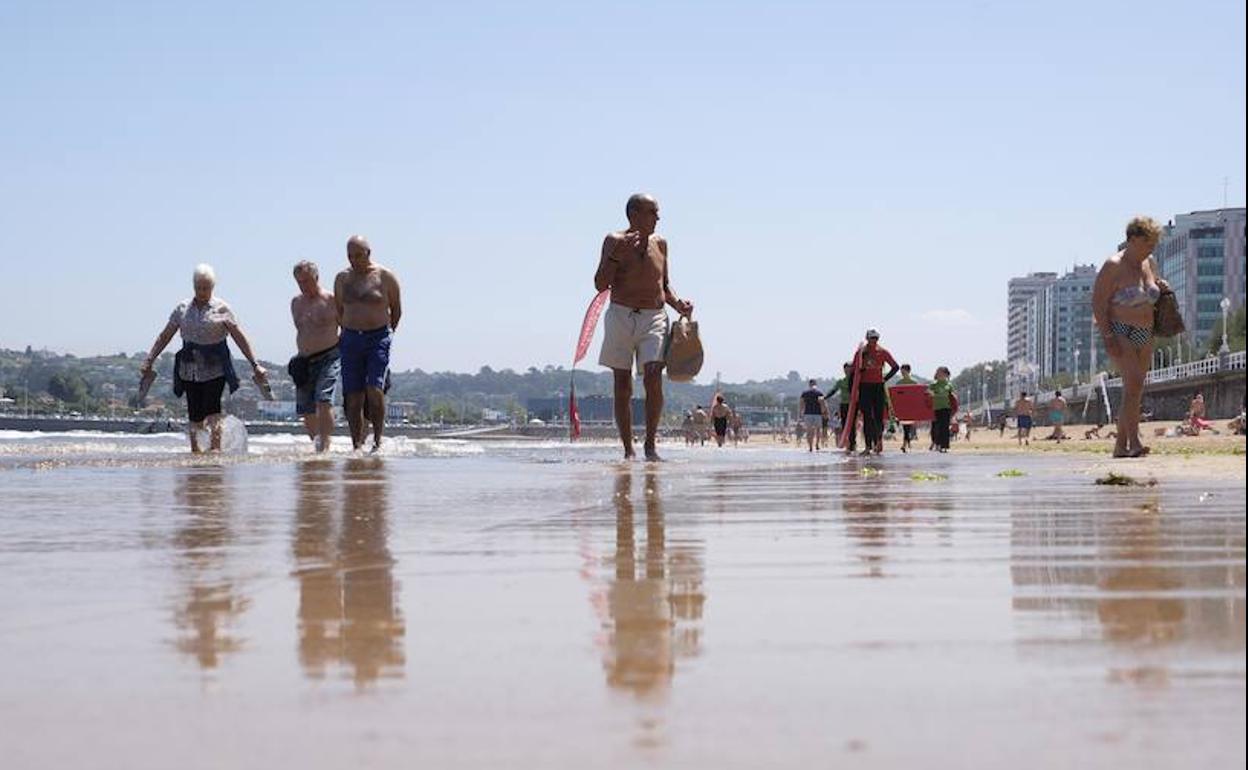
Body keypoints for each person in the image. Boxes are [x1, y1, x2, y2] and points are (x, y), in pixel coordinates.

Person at [594, 194, 694, 461]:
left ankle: (650, 445)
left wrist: (678, 304)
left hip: (654, 316)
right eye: (653, 212)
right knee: (622, 382)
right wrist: (616, 256)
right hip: (621, 314)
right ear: (634, 214)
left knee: (653, 375)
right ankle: (628, 449)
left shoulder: (660, 243)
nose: (658, 218)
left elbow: (664, 283)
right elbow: (600, 284)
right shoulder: (613, 240)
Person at [140, 264, 268, 452]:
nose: (202, 292)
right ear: (193, 286)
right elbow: (165, 335)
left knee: (213, 409)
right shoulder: (182, 309)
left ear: (212, 287)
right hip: (189, 368)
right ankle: (196, 452)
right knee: (195, 413)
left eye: (206, 288)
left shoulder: (222, 308)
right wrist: (150, 359)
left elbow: (239, 336)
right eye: (199, 287)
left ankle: (215, 450)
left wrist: (254, 364)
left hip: (215, 366)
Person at [1092, 216, 1167, 458]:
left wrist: (1160, 286)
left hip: (1145, 331)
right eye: (1148, 242)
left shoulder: (1148, 262)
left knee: (1133, 389)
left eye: (1154, 242)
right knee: (1133, 384)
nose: (1152, 247)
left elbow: (1153, 289)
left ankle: (1119, 446)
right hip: (1120, 329)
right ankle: (1134, 442)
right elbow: (1098, 303)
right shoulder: (1113, 265)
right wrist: (1108, 336)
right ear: (1133, 239)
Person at [334, 236, 402, 452]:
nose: (354, 260)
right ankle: (356, 444)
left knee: (374, 388)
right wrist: (347, 329)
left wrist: (388, 333)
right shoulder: (342, 278)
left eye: (358, 256)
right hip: (351, 338)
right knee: (353, 395)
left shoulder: (385, 276)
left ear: (368, 253)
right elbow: (339, 310)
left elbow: (397, 309)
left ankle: (377, 440)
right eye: (350, 256)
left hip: (377, 337)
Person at [290, 260, 341, 452]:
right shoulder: (296, 303)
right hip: (304, 359)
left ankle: (325, 445)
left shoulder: (332, 300)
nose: (304, 286)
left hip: (329, 355)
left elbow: (345, 327)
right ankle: (316, 443)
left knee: (324, 399)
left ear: (317, 278)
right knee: (305, 408)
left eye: (307, 281)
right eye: (300, 282)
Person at [853, 329, 899, 455]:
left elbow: (895, 367)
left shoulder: (882, 352)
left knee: (879, 417)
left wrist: (885, 379)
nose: (874, 340)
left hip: (878, 386)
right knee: (867, 417)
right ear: (867, 338)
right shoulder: (861, 352)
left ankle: (878, 441)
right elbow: (854, 371)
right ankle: (868, 446)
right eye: (871, 338)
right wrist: (854, 389)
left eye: (876, 338)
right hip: (864, 387)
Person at [928, 366, 957, 452]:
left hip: (946, 408)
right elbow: (928, 392)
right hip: (936, 408)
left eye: (939, 372)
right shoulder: (933, 384)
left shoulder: (948, 385)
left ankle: (945, 446)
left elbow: (952, 395)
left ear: (945, 374)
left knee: (945, 427)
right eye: (937, 372)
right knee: (937, 427)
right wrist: (931, 393)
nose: (938, 373)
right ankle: (937, 443)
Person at [829, 362, 856, 452]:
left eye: (849, 369)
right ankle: (848, 443)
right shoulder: (841, 381)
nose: (847, 371)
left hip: (853, 404)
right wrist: (825, 397)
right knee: (844, 425)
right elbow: (833, 390)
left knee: (852, 424)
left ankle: (852, 443)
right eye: (845, 369)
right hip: (844, 404)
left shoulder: (856, 380)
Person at [895, 363, 918, 452]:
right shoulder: (899, 383)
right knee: (906, 427)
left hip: (910, 408)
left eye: (903, 370)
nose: (901, 372)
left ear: (908, 371)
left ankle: (905, 444)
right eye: (901, 371)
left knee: (907, 427)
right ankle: (906, 444)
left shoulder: (913, 382)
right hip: (904, 408)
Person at [798, 379, 825, 452]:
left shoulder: (805, 393)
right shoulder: (819, 393)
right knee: (818, 430)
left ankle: (810, 446)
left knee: (809, 430)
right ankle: (817, 444)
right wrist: (823, 412)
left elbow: (801, 403)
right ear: (816, 384)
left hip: (808, 413)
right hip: (817, 414)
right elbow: (822, 403)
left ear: (809, 384)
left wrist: (800, 413)